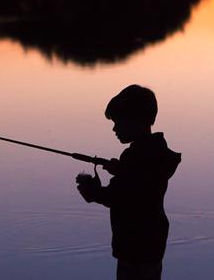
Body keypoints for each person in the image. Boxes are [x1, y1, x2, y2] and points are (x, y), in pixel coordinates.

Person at [73, 85, 181, 280]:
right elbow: (139, 181)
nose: (114, 128)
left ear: (136, 120)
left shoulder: (136, 156)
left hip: (135, 242)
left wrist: (91, 191)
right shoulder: (155, 150)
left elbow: (119, 196)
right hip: (152, 238)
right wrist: (120, 168)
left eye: (118, 122)